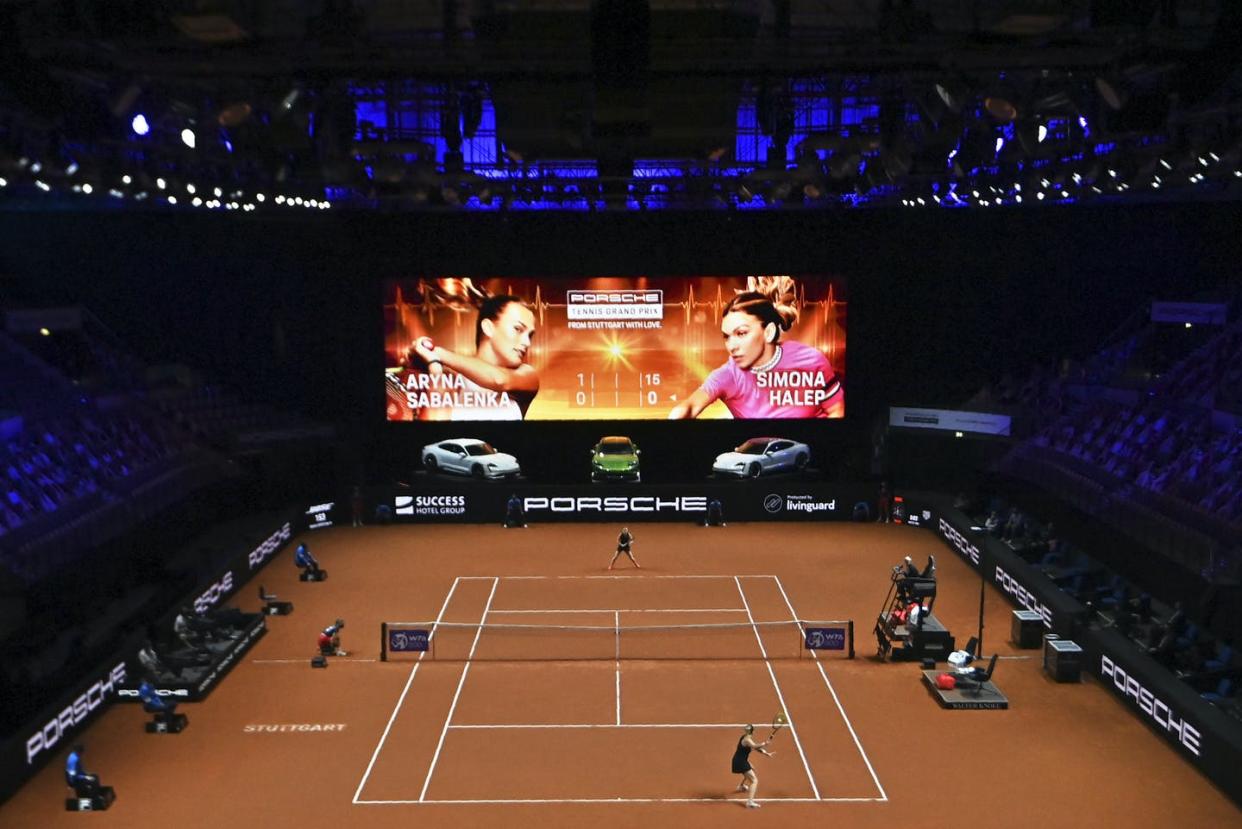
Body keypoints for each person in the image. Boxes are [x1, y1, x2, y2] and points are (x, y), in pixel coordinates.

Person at [668, 276, 843, 420]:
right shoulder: (728, 375)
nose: (731, 346)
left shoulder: (811, 360)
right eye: (726, 336)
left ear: (768, 332)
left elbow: (836, 410)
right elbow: (689, 408)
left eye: (741, 333)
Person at [407, 293, 540, 420]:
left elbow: (499, 380)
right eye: (518, 329)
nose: (527, 342)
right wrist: (434, 366)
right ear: (488, 328)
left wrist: (437, 353)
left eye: (530, 335)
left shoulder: (527, 376)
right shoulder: (450, 380)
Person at [730, 724, 774, 809]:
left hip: (739, 761)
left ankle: (741, 786)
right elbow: (754, 746)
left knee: (751, 769)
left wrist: (766, 753)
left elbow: (755, 748)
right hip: (740, 762)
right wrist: (764, 743)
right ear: (753, 731)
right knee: (754, 780)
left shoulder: (745, 737)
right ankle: (750, 802)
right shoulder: (747, 740)